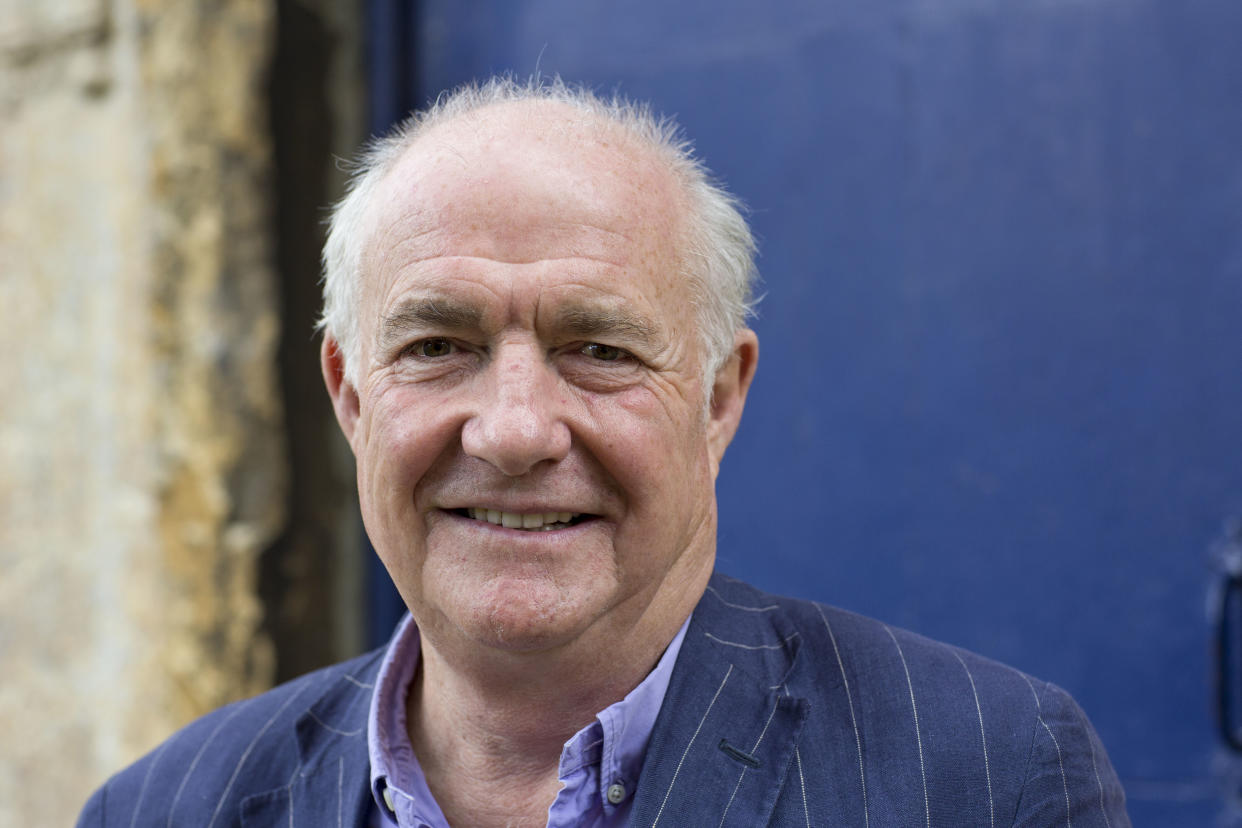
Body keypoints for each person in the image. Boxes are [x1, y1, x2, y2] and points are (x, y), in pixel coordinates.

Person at [78, 76, 1130, 827]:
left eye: (600, 348)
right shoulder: (166, 806)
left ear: (718, 400)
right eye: (439, 346)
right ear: (351, 396)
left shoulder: (988, 778)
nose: (517, 431)